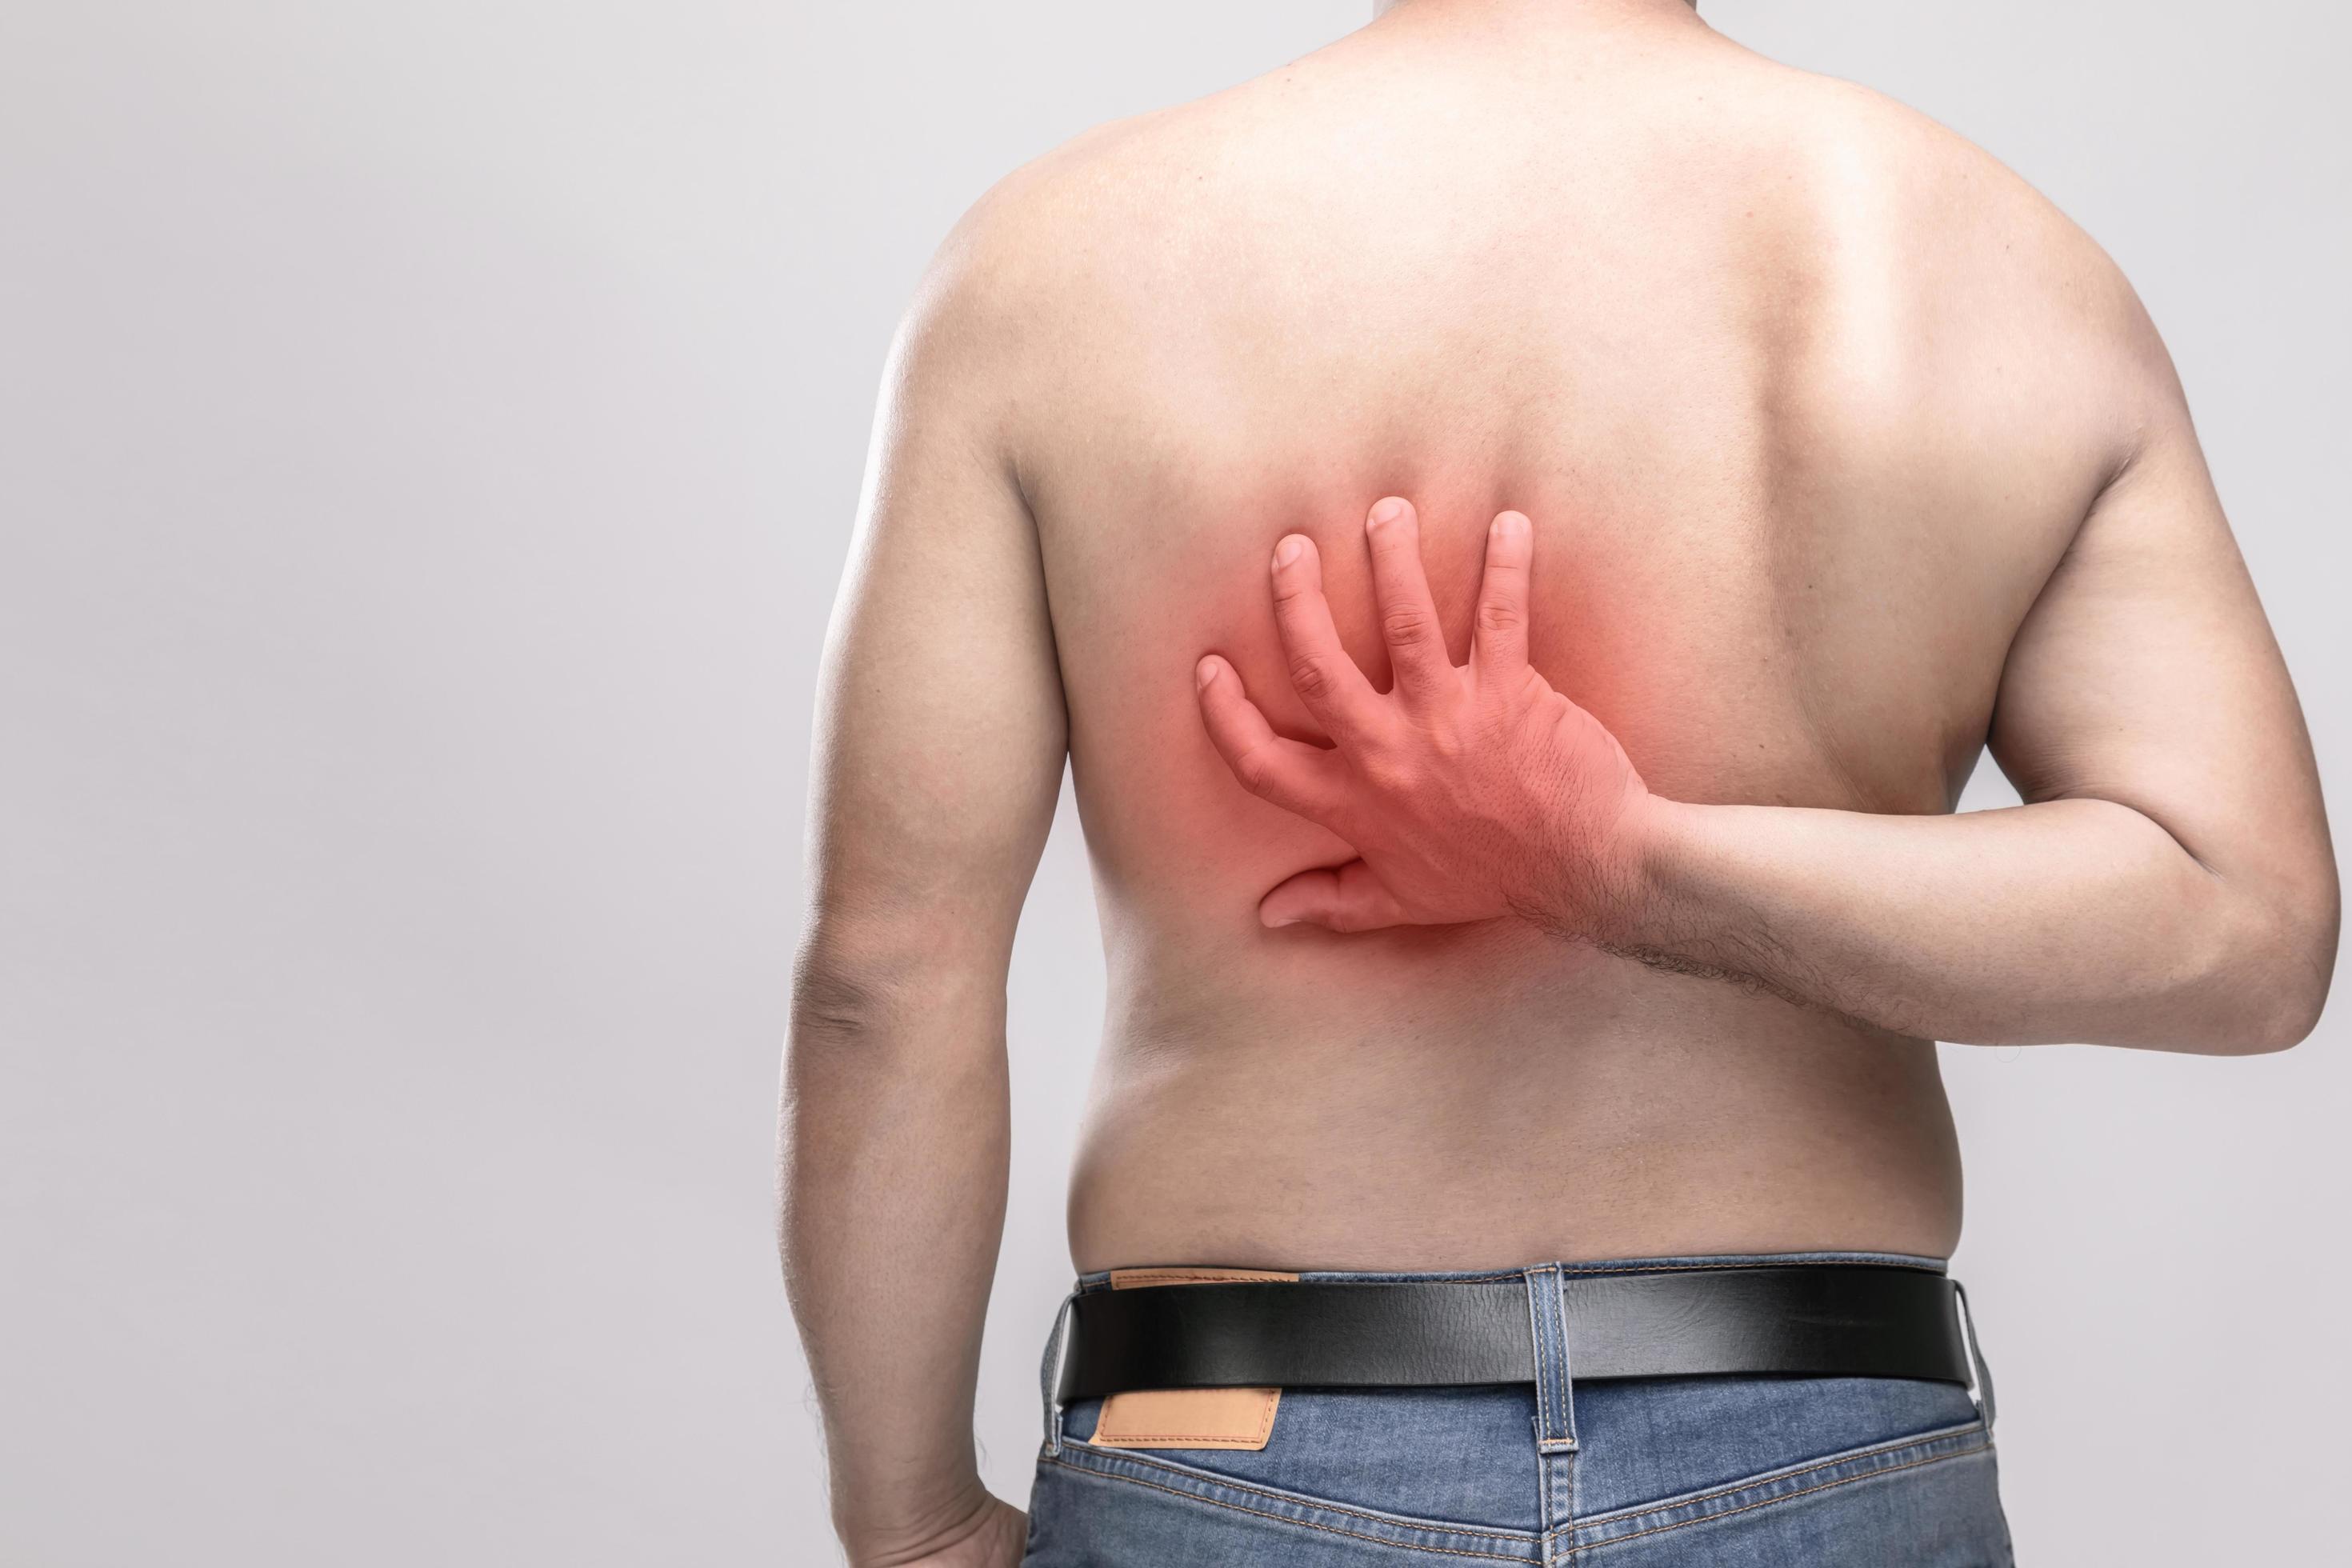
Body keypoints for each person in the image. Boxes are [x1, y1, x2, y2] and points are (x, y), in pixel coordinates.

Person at [782, 1, 2338, 1562]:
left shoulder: (1058, 270)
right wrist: (1636, 866)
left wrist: (910, 1519)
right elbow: (2244, 918)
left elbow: (885, 974)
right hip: (1825, 1442)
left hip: (1238, 1447)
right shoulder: (1996, 269)